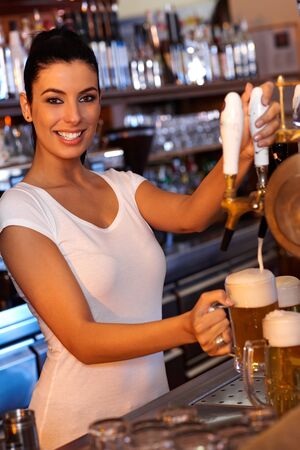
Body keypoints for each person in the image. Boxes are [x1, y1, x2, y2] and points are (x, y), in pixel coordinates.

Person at [0, 28, 280, 449]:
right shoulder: (21, 209)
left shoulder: (121, 186)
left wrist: (239, 150)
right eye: (54, 100)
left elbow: (191, 215)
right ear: (27, 106)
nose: (73, 117)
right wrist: (187, 327)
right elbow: (84, 340)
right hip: (78, 429)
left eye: (87, 97)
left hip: (151, 414)